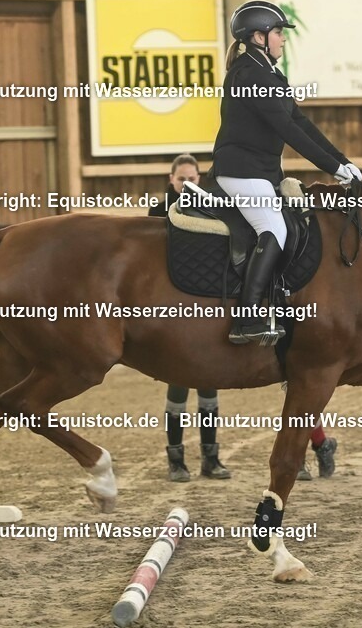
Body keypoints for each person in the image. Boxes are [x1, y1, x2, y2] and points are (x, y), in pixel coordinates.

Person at [212, 0, 362, 346]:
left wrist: (343, 161)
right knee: (273, 227)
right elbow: (287, 131)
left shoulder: (268, 72)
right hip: (241, 172)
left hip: (260, 172)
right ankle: (247, 318)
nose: (282, 39)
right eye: (278, 33)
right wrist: (334, 168)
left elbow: (299, 121)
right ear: (258, 36)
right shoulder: (250, 75)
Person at [150, 154, 231, 481]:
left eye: (192, 178)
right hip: (173, 310)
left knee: (209, 385)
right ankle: (176, 460)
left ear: (200, 179)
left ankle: (211, 459)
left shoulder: (210, 209)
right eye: (182, 178)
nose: (187, 183)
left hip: (206, 308)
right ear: (172, 180)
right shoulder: (158, 213)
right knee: (178, 386)